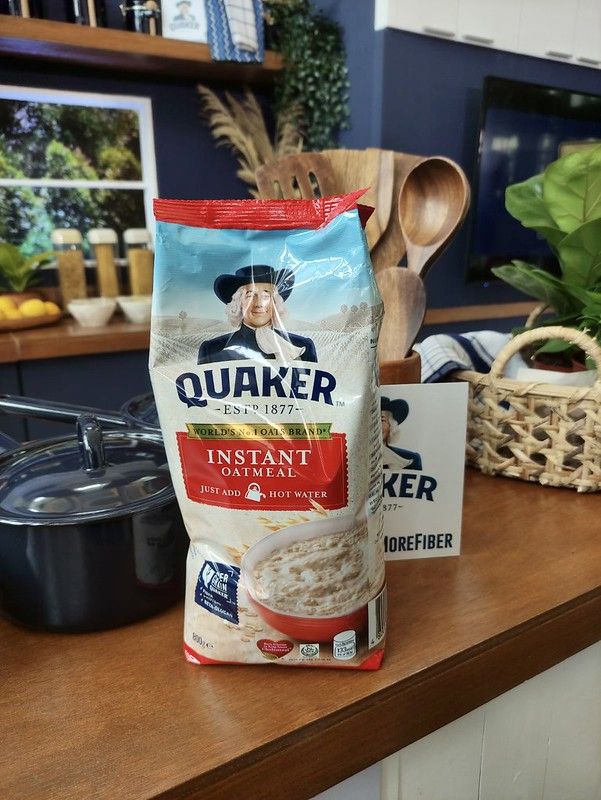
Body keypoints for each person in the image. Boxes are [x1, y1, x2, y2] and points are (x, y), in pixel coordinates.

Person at [197, 265, 317, 365]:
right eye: (250, 296)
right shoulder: (212, 350)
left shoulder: (302, 347)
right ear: (238, 303)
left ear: (275, 302)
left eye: (266, 296)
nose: (259, 304)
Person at [380, 396, 422, 471]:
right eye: (371, 420)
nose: (376, 425)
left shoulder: (410, 458)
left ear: (391, 426)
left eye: (382, 420)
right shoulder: (353, 457)